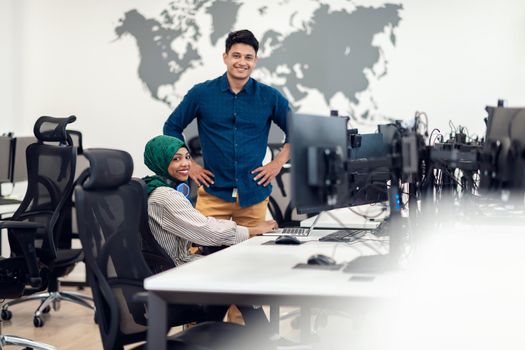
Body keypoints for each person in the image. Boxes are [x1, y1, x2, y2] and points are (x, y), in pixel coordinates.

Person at [164, 29, 290, 228]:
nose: (242, 62)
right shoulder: (201, 93)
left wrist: (277, 164)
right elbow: (171, 127)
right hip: (213, 195)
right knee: (202, 255)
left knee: (252, 255)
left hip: (254, 197)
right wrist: (191, 166)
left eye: (248, 57)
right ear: (225, 57)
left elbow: (297, 131)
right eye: (236, 55)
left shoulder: (270, 96)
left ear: (255, 60)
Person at [143, 134, 277, 266]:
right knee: (248, 266)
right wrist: (253, 230)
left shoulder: (151, 186)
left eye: (187, 157)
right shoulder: (166, 196)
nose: (185, 164)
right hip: (177, 268)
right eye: (176, 159)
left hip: (172, 262)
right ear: (160, 160)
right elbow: (208, 231)